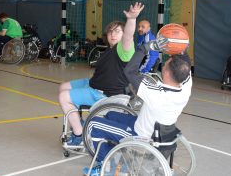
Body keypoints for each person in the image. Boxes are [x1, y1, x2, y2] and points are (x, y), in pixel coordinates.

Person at [82, 40, 192, 175]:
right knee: (111, 114)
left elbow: (129, 71)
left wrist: (145, 48)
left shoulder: (155, 93)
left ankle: (109, 166)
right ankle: (118, 153)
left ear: (167, 72)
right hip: (156, 132)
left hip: (140, 136)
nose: (164, 64)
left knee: (92, 124)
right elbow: (186, 63)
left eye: (166, 63)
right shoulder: (185, 89)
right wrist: (182, 48)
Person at [59, 2, 144, 146]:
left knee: (63, 97)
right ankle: (78, 122)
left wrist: (131, 19)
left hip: (103, 94)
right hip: (93, 83)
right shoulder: (109, 49)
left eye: (117, 31)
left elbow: (129, 36)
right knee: (62, 87)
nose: (113, 34)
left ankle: (79, 134)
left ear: (123, 35)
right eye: (111, 31)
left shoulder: (124, 51)